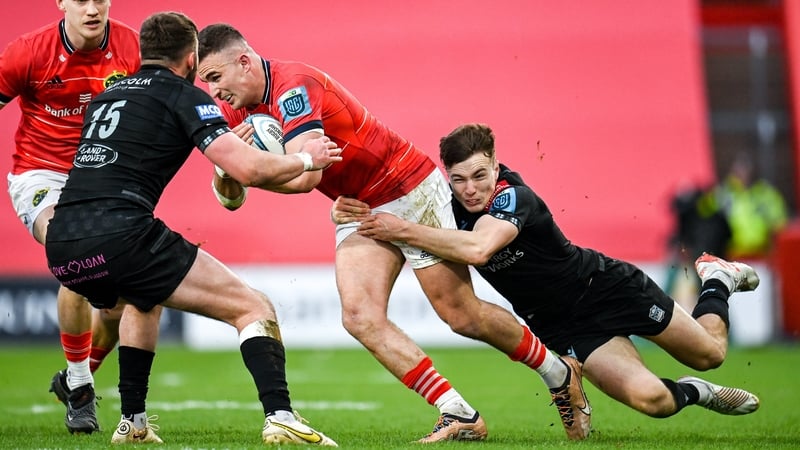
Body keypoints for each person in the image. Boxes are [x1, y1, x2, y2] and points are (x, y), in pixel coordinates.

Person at [196, 24, 591, 442]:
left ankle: (558, 371)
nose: (214, 92)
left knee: (461, 315)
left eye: (216, 78)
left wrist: (251, 169)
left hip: (407, 188)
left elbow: (305, 178)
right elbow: (231, 198)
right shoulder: (234, 110)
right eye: (206, 82)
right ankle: (457, 412)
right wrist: (226, 170)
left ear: (244, 61)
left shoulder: (295, 86)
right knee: (359, 317)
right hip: (358, 206)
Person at [334, 123, 761, 427]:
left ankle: (718, 280)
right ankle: (698, 393)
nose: (470, 189)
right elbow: (394, 205)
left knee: (711, 355)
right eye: (459, 179)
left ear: (496, 166)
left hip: (607, 288)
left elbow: (478, 249)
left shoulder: (514, 197)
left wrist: (402, 229)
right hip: (563, 325)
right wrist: (348, 209)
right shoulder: (446, 206)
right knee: (653, 402)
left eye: (480, 175)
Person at [44, 11, 342, 446]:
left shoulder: (107, 96)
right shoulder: (183, 96)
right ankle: (280, 416)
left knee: (143, 301)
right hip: (121, 235)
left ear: (144, 53)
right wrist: (305, 159)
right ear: (191, 58)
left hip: (63, 242)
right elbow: (247, 169)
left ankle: (134, 424)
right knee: (253, 307)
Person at [0, 0, 141, 433]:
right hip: (40, 176)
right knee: (77, 244)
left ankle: (75, 377)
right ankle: (82, 393)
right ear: (61, 2)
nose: (92, 8)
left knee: (118, 305)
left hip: (102, 179)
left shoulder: (131, 49)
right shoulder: (28, 52)